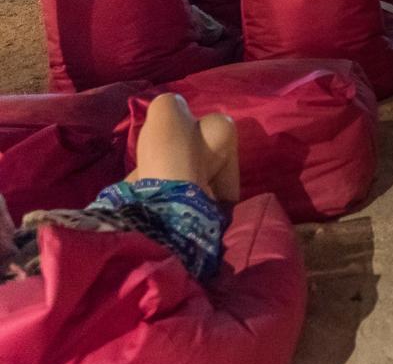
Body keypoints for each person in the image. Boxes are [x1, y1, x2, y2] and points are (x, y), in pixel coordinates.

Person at [1, 93, 239, 284]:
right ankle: (223, 251)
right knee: (166, 105)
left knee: (217, 129)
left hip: (103, 222)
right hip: (160, 234)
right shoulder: (27, 275)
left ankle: (225, 224)